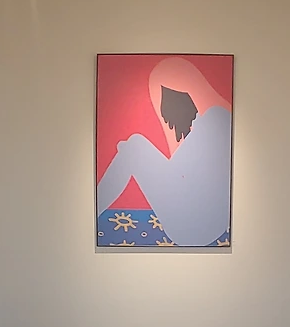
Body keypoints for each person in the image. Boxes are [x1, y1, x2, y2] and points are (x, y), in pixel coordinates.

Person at [97, 57, 232, 246]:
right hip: (206, 226)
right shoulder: (215, 120)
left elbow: (178, 169)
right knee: (134, 147)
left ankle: (94, 209)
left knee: (135, 145)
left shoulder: (213, 119)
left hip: (190, 226)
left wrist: (130, 152)